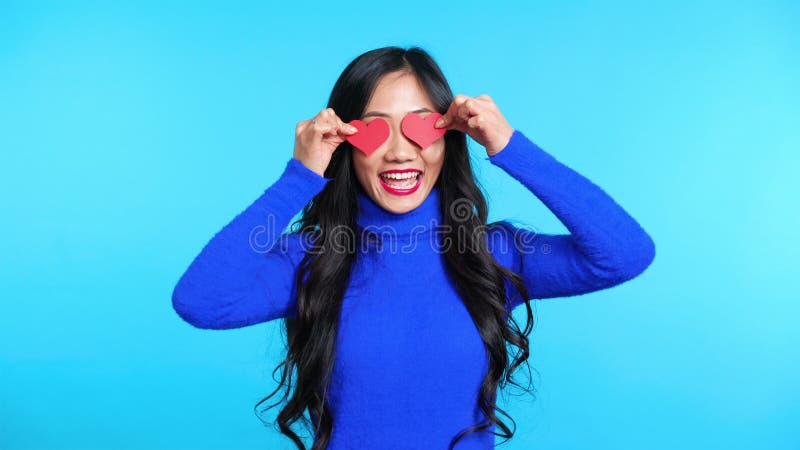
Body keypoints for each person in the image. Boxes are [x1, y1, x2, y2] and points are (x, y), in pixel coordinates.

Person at [171, 46, 655, 450]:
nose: (401, 151)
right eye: (375, 129)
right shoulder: (313, 258)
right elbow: (200, 300)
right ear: (343, 141)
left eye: (421, 127)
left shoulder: (493, 254)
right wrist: (300, 176)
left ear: (449, 139)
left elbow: (624, 253)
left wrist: (509, 145)